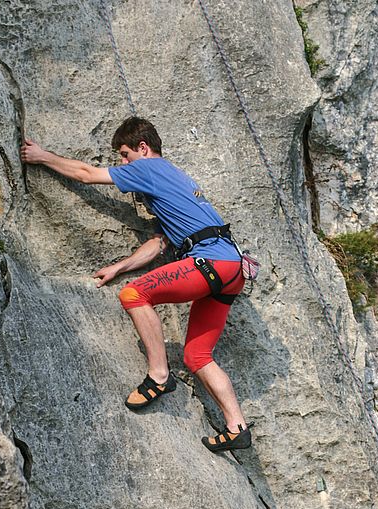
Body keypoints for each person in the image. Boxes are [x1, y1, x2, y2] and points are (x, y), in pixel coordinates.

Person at [20, 117, 251, 452]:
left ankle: (159, 376)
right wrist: (119, 266)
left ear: (143, 148)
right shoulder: (174, 181)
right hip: (232, 269)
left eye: (125, 155)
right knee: (197, 354)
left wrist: (41, 156)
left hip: (211, 262)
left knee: (134, 293)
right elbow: (158, 245)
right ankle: (236, 427)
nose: (122, 163)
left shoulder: (149, 169)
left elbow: (87, 175)